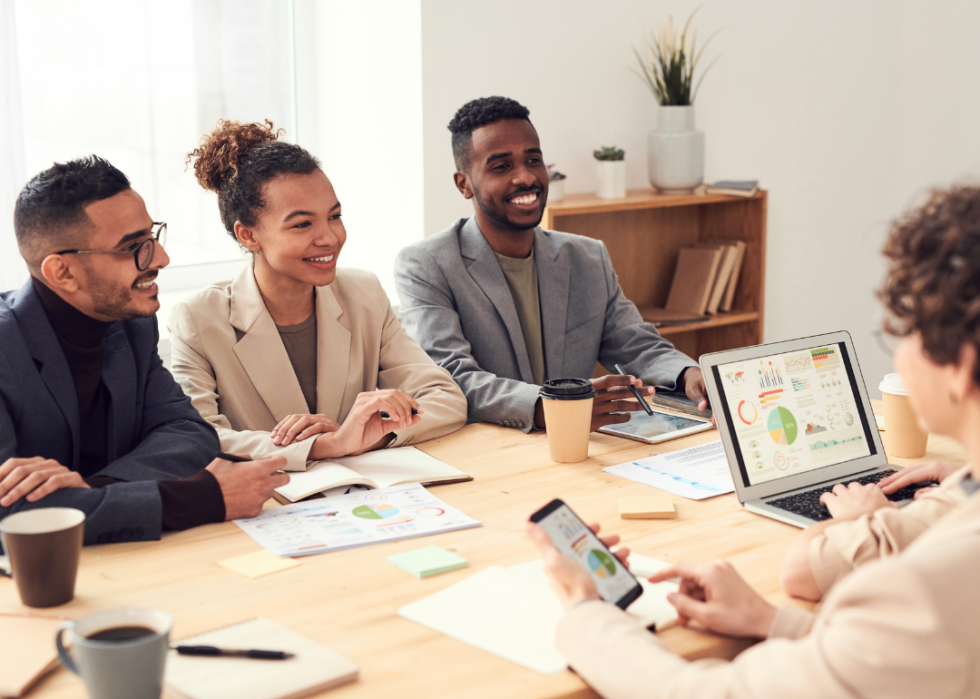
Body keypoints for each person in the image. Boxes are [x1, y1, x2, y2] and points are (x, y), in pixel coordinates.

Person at [527, 184, 980, 698]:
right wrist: (769, 621)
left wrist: (585, 610)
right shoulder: (953, 522)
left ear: (959, 368)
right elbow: (905, 665)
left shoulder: (916, 587)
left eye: (907, 332)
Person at [0, 156, 287, 547]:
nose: (161, 259)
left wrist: (88, 489)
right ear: (62, 273)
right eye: (133, 247)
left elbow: (189, 432)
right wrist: (196, 497)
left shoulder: (132, 324)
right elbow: (11, 517)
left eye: (152, 237)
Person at [394, 96, 706, 434]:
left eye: (533, 159)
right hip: (491, 452)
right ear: (464, 184)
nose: (525, 177)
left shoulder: (588, 258)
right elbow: (453, 376)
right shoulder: (426, 265)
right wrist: (553, 408)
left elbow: (636, 343)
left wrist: (689, 374)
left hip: (582, 450)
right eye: (501, 166)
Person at [168, 121, 467, 469]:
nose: (330, 237)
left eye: (335, 216)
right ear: (248, 236)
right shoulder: (199, 318)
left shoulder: (363, 293)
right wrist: (327, 445)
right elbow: (197, 437)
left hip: (369, 498)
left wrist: (368, 435)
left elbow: (445, 398)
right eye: (302, 224)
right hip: (269, 505)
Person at [779, 459, 967, 600]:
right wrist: (964, 478)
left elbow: (796, 572)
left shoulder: (959, 506)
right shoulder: (966, 489)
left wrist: (859, 513)